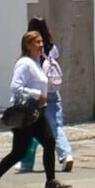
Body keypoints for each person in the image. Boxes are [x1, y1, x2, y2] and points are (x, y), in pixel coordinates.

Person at [0, 29, 66, 188]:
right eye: (37, 42)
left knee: (49, 142)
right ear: (27, 45)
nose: (41, 45)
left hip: (37, 112)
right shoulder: (24, 64)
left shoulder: (37, 62)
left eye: (41, 42)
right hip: (25, 113)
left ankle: (50, 181)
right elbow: (15, 87)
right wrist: (37, 94)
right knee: (18, 152)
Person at [18, 16, 74, 175]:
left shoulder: (30, 49)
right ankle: (64, 155)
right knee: (55, 126)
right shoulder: (52, 47)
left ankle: (28, 162)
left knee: (32, 127)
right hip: (53, 91)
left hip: (37, 94)